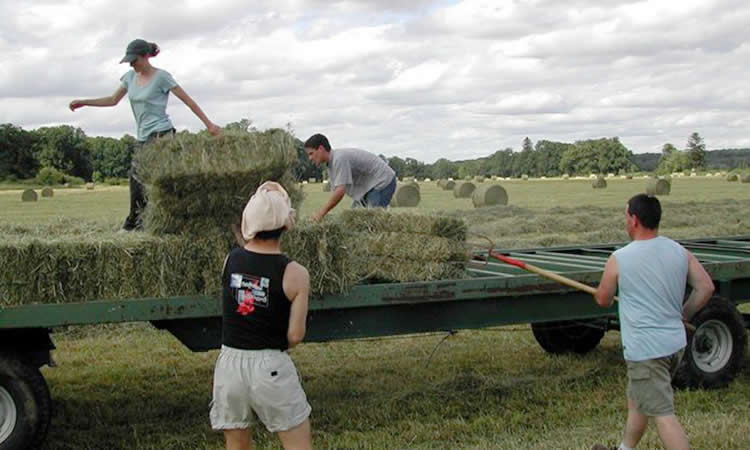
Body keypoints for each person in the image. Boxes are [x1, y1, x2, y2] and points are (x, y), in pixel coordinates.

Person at [592, 194, 714, 450]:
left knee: (662, 413)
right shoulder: (678, 251)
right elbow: (705, 287)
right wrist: (684, 314)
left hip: (647, 350)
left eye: (626, 216)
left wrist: (599, 291)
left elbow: (603, 300)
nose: (625, 221)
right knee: (639, 399)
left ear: (634, 220)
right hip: (673, 346)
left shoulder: (620, 258)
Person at [69, 38, 220, 231]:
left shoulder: (162, 77)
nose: (131, 64)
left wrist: (209, 125)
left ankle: (134, 224)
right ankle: (145, 222)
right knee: (140, 179)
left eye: (134, 60)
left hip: (161, 135)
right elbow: (112, 100)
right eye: (129, 61)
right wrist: (84, 102)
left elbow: (188, 101)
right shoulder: (129, 78)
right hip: (142, 136)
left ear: (146, 56)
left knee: (138, 176)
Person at [210, 181, 313, 450]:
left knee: (236, 443)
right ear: (285, 224)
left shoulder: (229, 260)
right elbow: (295, 335)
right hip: (270, 366)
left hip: (229, 365)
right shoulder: (296, 273)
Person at [303, 133, 396, 221]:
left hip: (381, 181)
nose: (310, 158)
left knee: (371, 222)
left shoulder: (339, 159)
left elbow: (340, 191)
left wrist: (321, 213)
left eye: (311, 153)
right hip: (367, 188)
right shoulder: (331, 165)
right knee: (355, 220)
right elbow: (335, 192)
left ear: (320, 149)